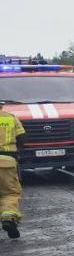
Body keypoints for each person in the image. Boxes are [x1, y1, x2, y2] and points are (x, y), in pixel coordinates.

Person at [0, 101, 26, 238]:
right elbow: (22, 138)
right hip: (7, 162)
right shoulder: (10, 118)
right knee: (9, 193)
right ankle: (8, 218)